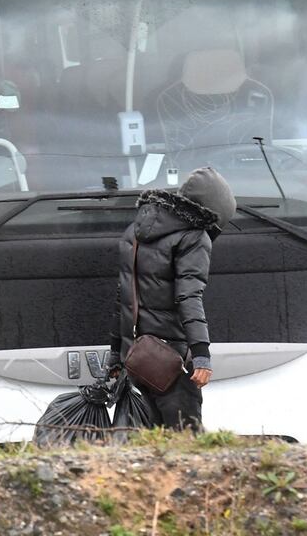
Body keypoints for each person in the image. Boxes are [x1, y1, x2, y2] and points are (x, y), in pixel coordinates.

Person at [109, 167, 235, 431]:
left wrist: (115, 355)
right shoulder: (194, 237)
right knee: (186, 437)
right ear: (214, 210)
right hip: (172, 359)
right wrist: (201, 354)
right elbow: (189, 296)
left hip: (139, 356)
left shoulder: (134, 231)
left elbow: (124, 299)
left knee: (152, 437)